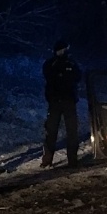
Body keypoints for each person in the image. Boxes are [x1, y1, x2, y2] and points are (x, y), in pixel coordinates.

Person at [41, 39, 83, 168]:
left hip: (69, 101)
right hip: (55, 102)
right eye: (63, 49)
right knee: (51, 130)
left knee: (72, 131)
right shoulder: (50, 64)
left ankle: (72, 159)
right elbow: (49, 76)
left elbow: (78, 77)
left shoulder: (71, 63)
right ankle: (47, 160)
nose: (65, 51)